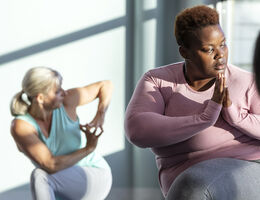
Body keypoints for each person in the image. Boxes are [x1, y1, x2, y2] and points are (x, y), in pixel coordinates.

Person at [125, 5, 260, 200]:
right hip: (182, 180)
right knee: (190, 185)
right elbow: (138, 130)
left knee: (193, 186)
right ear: (185, 52)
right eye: (208, 49)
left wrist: (236, 116)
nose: (220, 54)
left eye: (223, 44)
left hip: (248, 164)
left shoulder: (244, 81)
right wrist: (205, 117)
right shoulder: (158, 81)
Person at [10, 67, 113, 200]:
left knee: (40, 176)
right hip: (63, 182)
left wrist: (101, 114)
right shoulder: (22, 126)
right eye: (58, 91)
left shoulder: (67, 101)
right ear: (40, 98)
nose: (64, 93)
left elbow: (105, 85)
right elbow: (52, 165)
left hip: (94, 174)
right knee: (43, 176)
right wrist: (89, 148)